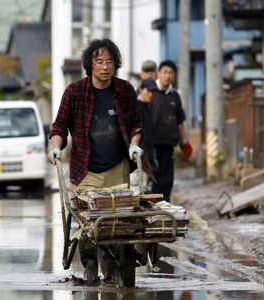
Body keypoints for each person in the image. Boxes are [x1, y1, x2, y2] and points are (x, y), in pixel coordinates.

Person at [47, 38, 152, 284]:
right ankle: (90, 261)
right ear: (89, 65)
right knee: (89, 220)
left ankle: (113, 265)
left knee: (116, 220)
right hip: (86, 171)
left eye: (110, 62)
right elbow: (59, 127)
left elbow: (137, 123)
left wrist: (135, 143)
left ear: (116, 65)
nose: (105, 67)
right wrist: (55, 147)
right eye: (99, 62)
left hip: (118, 168)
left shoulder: (124, 90)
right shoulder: (75, 92)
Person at [150, 60, 191, 202]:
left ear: (174, 76)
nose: (167, 76)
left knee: (167, 180)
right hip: (151, 145)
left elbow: (180, 121)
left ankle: (165, 211)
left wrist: (183, 141)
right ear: (159, 74)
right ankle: (150, 212)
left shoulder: (175, 96)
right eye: (165, 72)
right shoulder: (149, 92)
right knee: (152, 180)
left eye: (170, 73)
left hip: (168, 144)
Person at [138, 78, 159, 174]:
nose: (151, 94)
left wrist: (152, 158)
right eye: (148, 91)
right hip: (137, 156)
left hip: (148, 155)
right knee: (137, 188)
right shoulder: (135, 107)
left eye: (153, 91)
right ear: (141, 90)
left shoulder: (148, 108)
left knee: (145, 187)